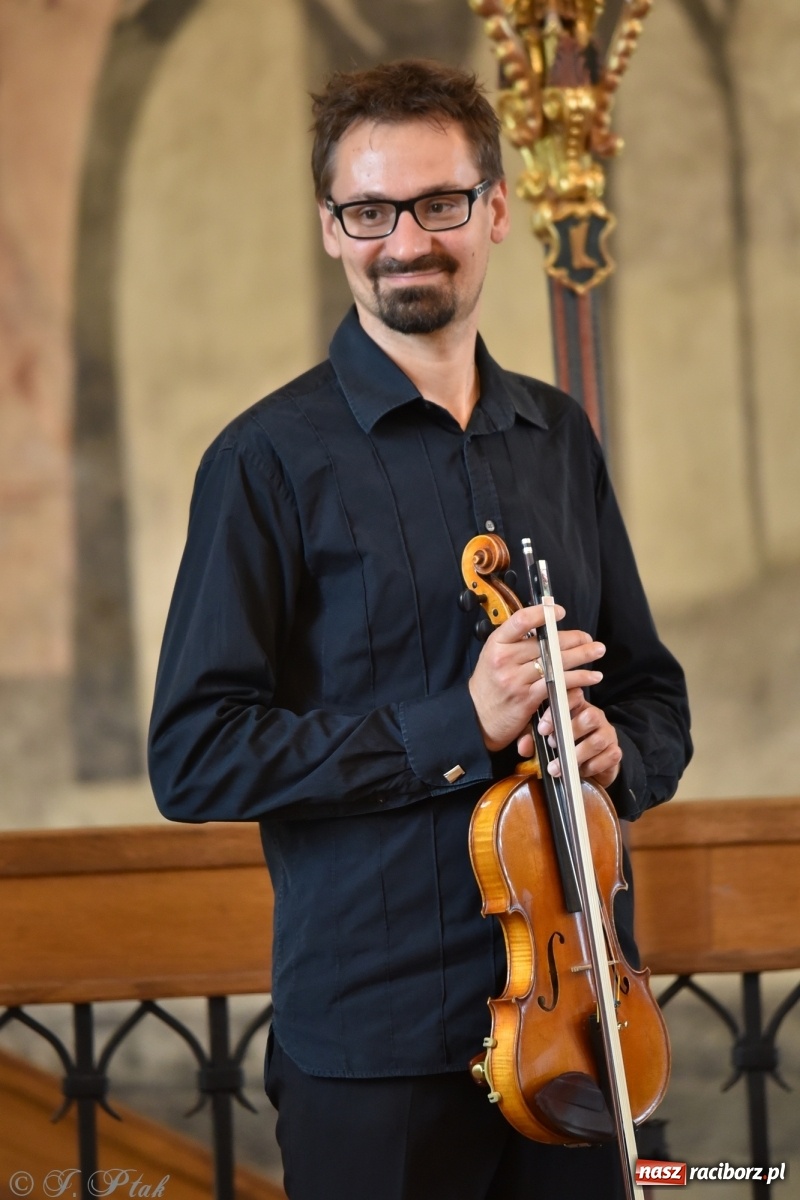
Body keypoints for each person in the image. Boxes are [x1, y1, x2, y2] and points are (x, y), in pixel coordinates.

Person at [149, 59, 691, 1200]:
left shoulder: (556, 438)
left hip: (582, 1023)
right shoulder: (265, 460)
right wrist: (461, 723)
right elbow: (194, 754)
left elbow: (653, 693)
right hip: (377, 1047)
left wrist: (619, 754)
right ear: (329, 227)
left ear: (494, 210)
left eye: (439, 203)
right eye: (370, 211)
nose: (406, 241)